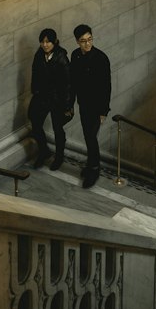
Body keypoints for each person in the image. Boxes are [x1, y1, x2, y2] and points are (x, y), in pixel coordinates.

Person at [69, 24, 111, 189]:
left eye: (89, 40)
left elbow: (106, 86)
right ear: (77, 42)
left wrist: (103, 111)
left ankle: (94, 169)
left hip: (96, 106)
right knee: (88, 136)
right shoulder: (75, 55)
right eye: (83, 41)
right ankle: (91, 165)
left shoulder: (101, 58)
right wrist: (70, 103)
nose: (87, 44)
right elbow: (73, 82)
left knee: (91, 137)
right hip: (83, 104)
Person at [28, 28, 70, 169]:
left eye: (48, 42)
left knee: (58, 129)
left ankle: (59, 157)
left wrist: (67, 104)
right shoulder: (39, 55)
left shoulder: (61, 57)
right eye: (43, 42)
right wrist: (35, 90)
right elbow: (35, 72)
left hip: (57, 99)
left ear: (54, 42)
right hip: (42, 96)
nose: (45, 45)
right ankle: (44, 151)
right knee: (35, 123)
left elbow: (68, 82)